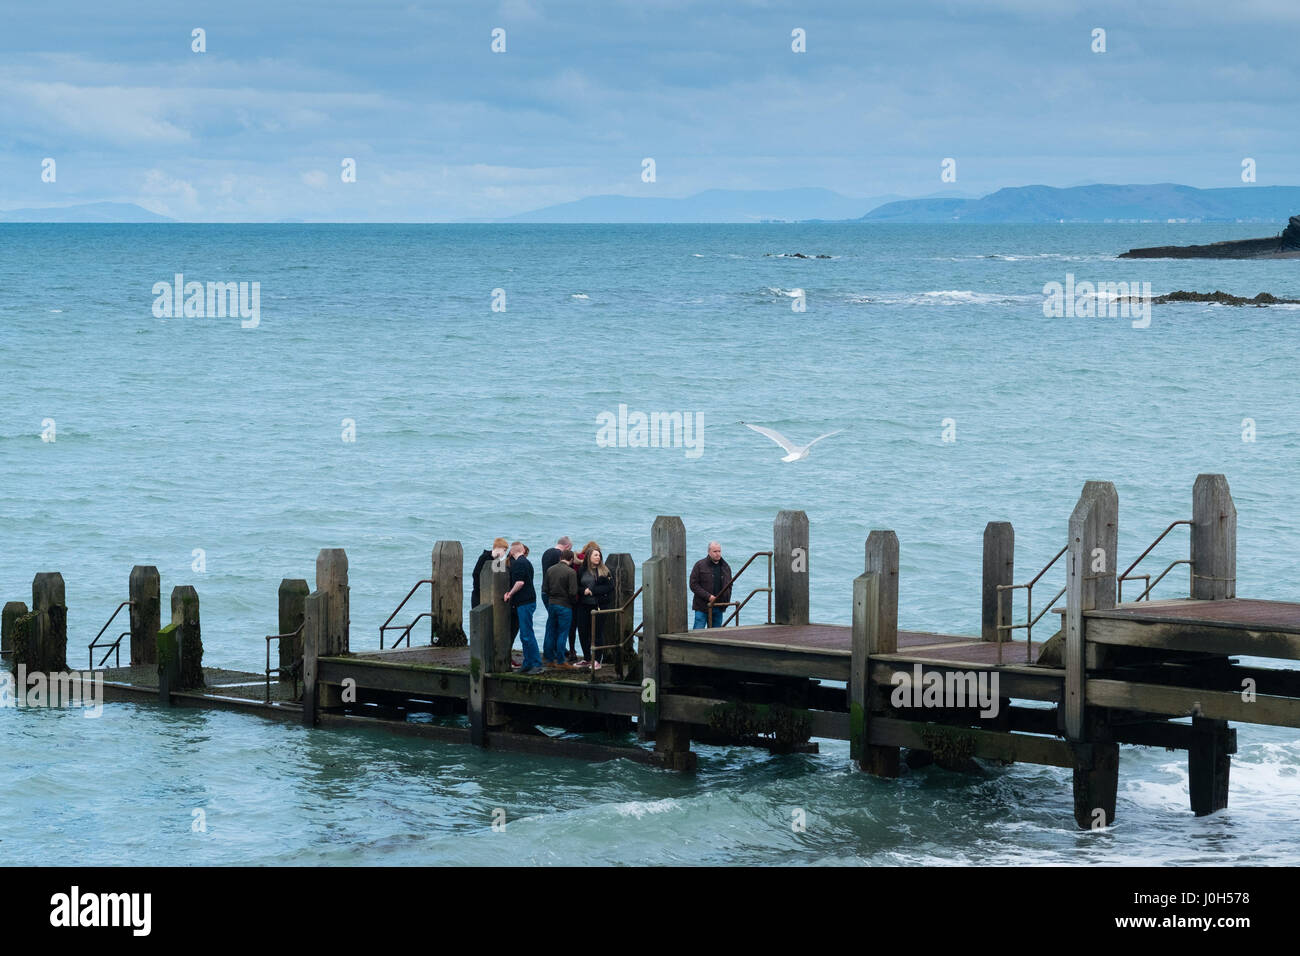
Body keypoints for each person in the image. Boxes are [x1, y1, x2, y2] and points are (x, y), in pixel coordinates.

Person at [502, 541, 543, 674]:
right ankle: (527, 663)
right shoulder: (526, 562)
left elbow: (519, 583)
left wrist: (509, 593)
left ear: (512, 552)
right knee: (525, 634)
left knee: (527, 634)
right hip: (527, 601)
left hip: (524, 602)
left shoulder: (519, 563)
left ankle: (536, 664)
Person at [575, 542, 615, 669]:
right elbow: (577, 586)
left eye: (599, 555)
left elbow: (610, 587)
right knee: (582, 631)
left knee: (597, 632)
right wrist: (583, 591)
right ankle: (587, 658)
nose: (598, 557)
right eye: (595, 555)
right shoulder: (582, 570)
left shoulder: (605, 570)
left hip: (599, 606)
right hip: (584, 605)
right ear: (588, 557)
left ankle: (597, 660)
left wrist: (594, 591)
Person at [541, 548, 578, 668]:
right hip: (565, 605)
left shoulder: (550, 570)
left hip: (552, 604)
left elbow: (545, 589)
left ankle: (549, 659)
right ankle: (561, 660)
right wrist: (573, 602)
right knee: (563, 633)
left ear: (560, 558)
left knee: (551, 631)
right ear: (571, 559)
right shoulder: (571, 572)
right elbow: (573, 592)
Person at [690, 541, 732, 629]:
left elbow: (729, 585)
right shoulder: (699, 565)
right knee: (698, 633)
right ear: (709, 552)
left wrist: (726, 602)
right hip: (702, 606)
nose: (718, 554)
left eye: (719, 551)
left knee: (716, 635)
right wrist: (708, 596)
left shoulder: (726, 567)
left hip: (719, 606)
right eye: (715, 551)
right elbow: (693, 585)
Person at [471, 537, 509, 608]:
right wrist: (481, 589)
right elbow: (475, 574)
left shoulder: (497, 561)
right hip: (479, 594)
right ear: (498, 548)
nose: (504, 554)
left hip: (491, 596)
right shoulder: (484, 557)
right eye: (504, 550)